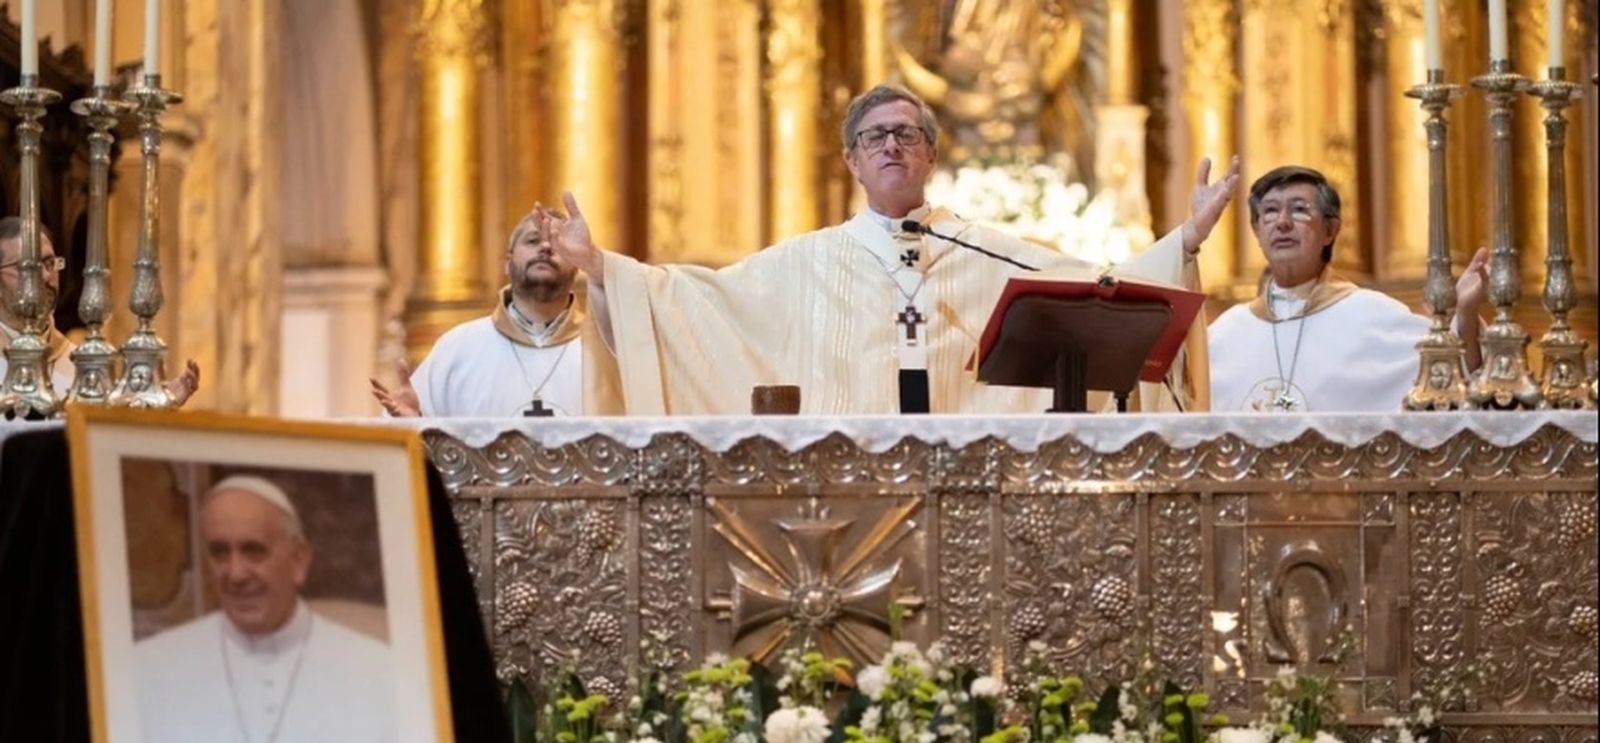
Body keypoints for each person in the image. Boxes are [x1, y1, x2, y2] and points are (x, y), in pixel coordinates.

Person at [534, 83, 1239, 415]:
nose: (892, 146)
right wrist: (601, 269)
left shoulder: (987, 251)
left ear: (931, 155)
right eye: (876, 137)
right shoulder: (804, 262)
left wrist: (1188, 237)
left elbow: (1102, 288)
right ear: (852, 161)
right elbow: (697, 303)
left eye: (907, 135)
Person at [135, 476, 407, 743]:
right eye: (220, 552)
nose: (236, 573)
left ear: (299, 560)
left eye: (254, 551)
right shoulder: (151, 671)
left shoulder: (380, 673)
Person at [1207, 166, 1487, 413]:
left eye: (1299, 209)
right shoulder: (1224, 335)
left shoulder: (1374, 316)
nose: (1282, 222)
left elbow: (1454, 373)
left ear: (1330, 231)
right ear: (1257, 231)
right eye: (1269, 211)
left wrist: (1466, 314)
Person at [370, 212, 623, 417]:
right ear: (508, 262)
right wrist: (414, 423)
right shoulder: (458, 348)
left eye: (557, 243)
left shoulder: (606, 351)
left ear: (577, 266)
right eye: (533, 240)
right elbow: (418, 451)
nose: (546, 247)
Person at [0, 217, 201, 404]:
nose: (45, 276)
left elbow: (106, 432)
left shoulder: (81, 363)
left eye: (49, 263)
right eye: (26, 267)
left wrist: (159, 402)